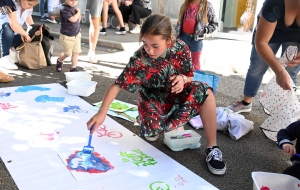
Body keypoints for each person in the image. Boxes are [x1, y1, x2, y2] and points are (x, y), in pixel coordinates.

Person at [86, 14, 227, 176]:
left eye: (155, 45)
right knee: (151, 135)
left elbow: (190, 75)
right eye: (145, 44)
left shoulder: (181, 48)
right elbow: (117, 84)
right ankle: (158, 125)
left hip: (176, 96)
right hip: (152, 103)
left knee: (206, 91)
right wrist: (102, 112)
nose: (149, 51)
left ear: (169, 40)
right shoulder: (140, 57)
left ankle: (212, 148)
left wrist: (183, 79)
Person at [227, 0, 300, 113]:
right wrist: (279, 72)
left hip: (296, 36)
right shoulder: (274, 3)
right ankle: (246, 103)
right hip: (270, 30)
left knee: (291, 71)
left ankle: (284, 109)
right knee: (257, 67)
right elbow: (261, 43)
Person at [175, 0, 218, 71]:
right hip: (183, 37)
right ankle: (182, 80)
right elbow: (180, 20)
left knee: (195, 64)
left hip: (196, 39)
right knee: (181, 62)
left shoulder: (207, 5)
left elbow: (214, 24)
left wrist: (204, 30)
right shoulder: (185, 5)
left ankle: (195, 80)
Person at [56, 0, 81, 72]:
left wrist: (78, 27)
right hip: (66, 36)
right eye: (71, 0)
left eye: (76, 0)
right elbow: (72, 19)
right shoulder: (64, 9)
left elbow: (76, 20)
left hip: (76, 34)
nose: (74, 2)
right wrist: (79, 12)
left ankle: (73, 67)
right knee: (67, 53)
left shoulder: (73, 7)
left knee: (76, 52)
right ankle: (59, 60)